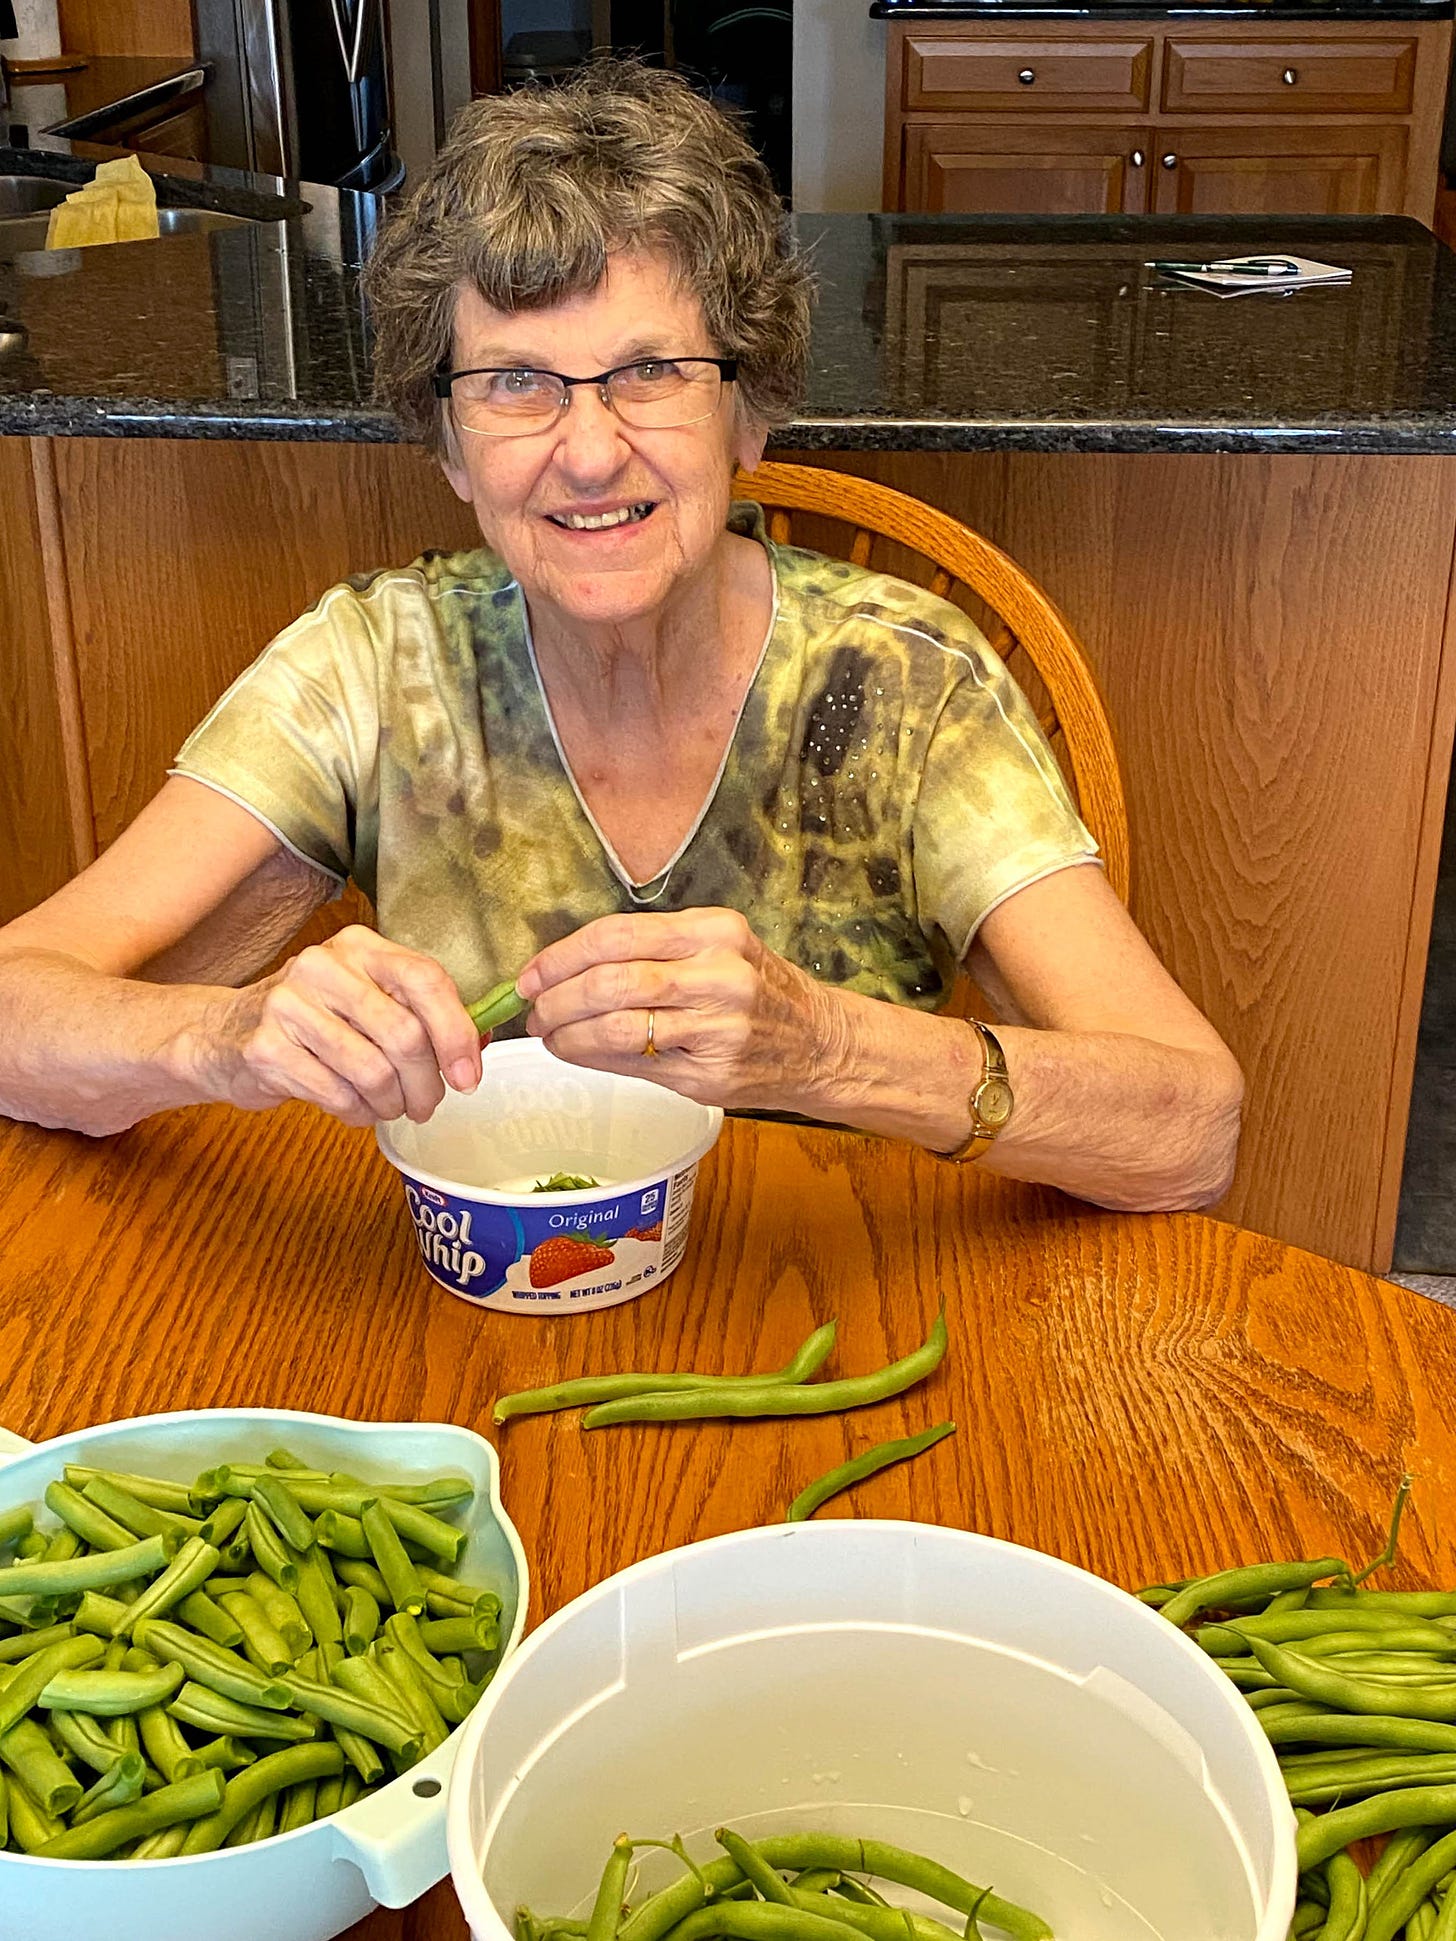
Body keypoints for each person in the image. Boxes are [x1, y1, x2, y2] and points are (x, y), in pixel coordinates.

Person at [0, 61, 1241, 1212]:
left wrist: (827, 1047)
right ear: (445, 445)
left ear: (749, 412)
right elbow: (18, 1007)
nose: (589, 452)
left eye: (652, 371)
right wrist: (225, 1039)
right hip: (469, 1319)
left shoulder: (902, 679)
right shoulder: (377, 665)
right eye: (515, 382)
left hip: (841, 1288)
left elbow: (1190, 1128)